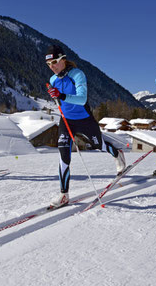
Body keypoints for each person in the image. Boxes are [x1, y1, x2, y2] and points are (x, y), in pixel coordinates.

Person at [45, 45, 126, 208]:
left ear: (63, 59)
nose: (52, 66)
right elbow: (60, 100)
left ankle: (117, 154)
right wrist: (56, 97)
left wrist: (61, 95)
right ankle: (63, 194)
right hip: (66, 120)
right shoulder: (53, 80)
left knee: (98, 145)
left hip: (84, 119)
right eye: (48, 64)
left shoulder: (77, 74)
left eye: (54, 62)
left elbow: (81, 99)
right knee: (63, 155)